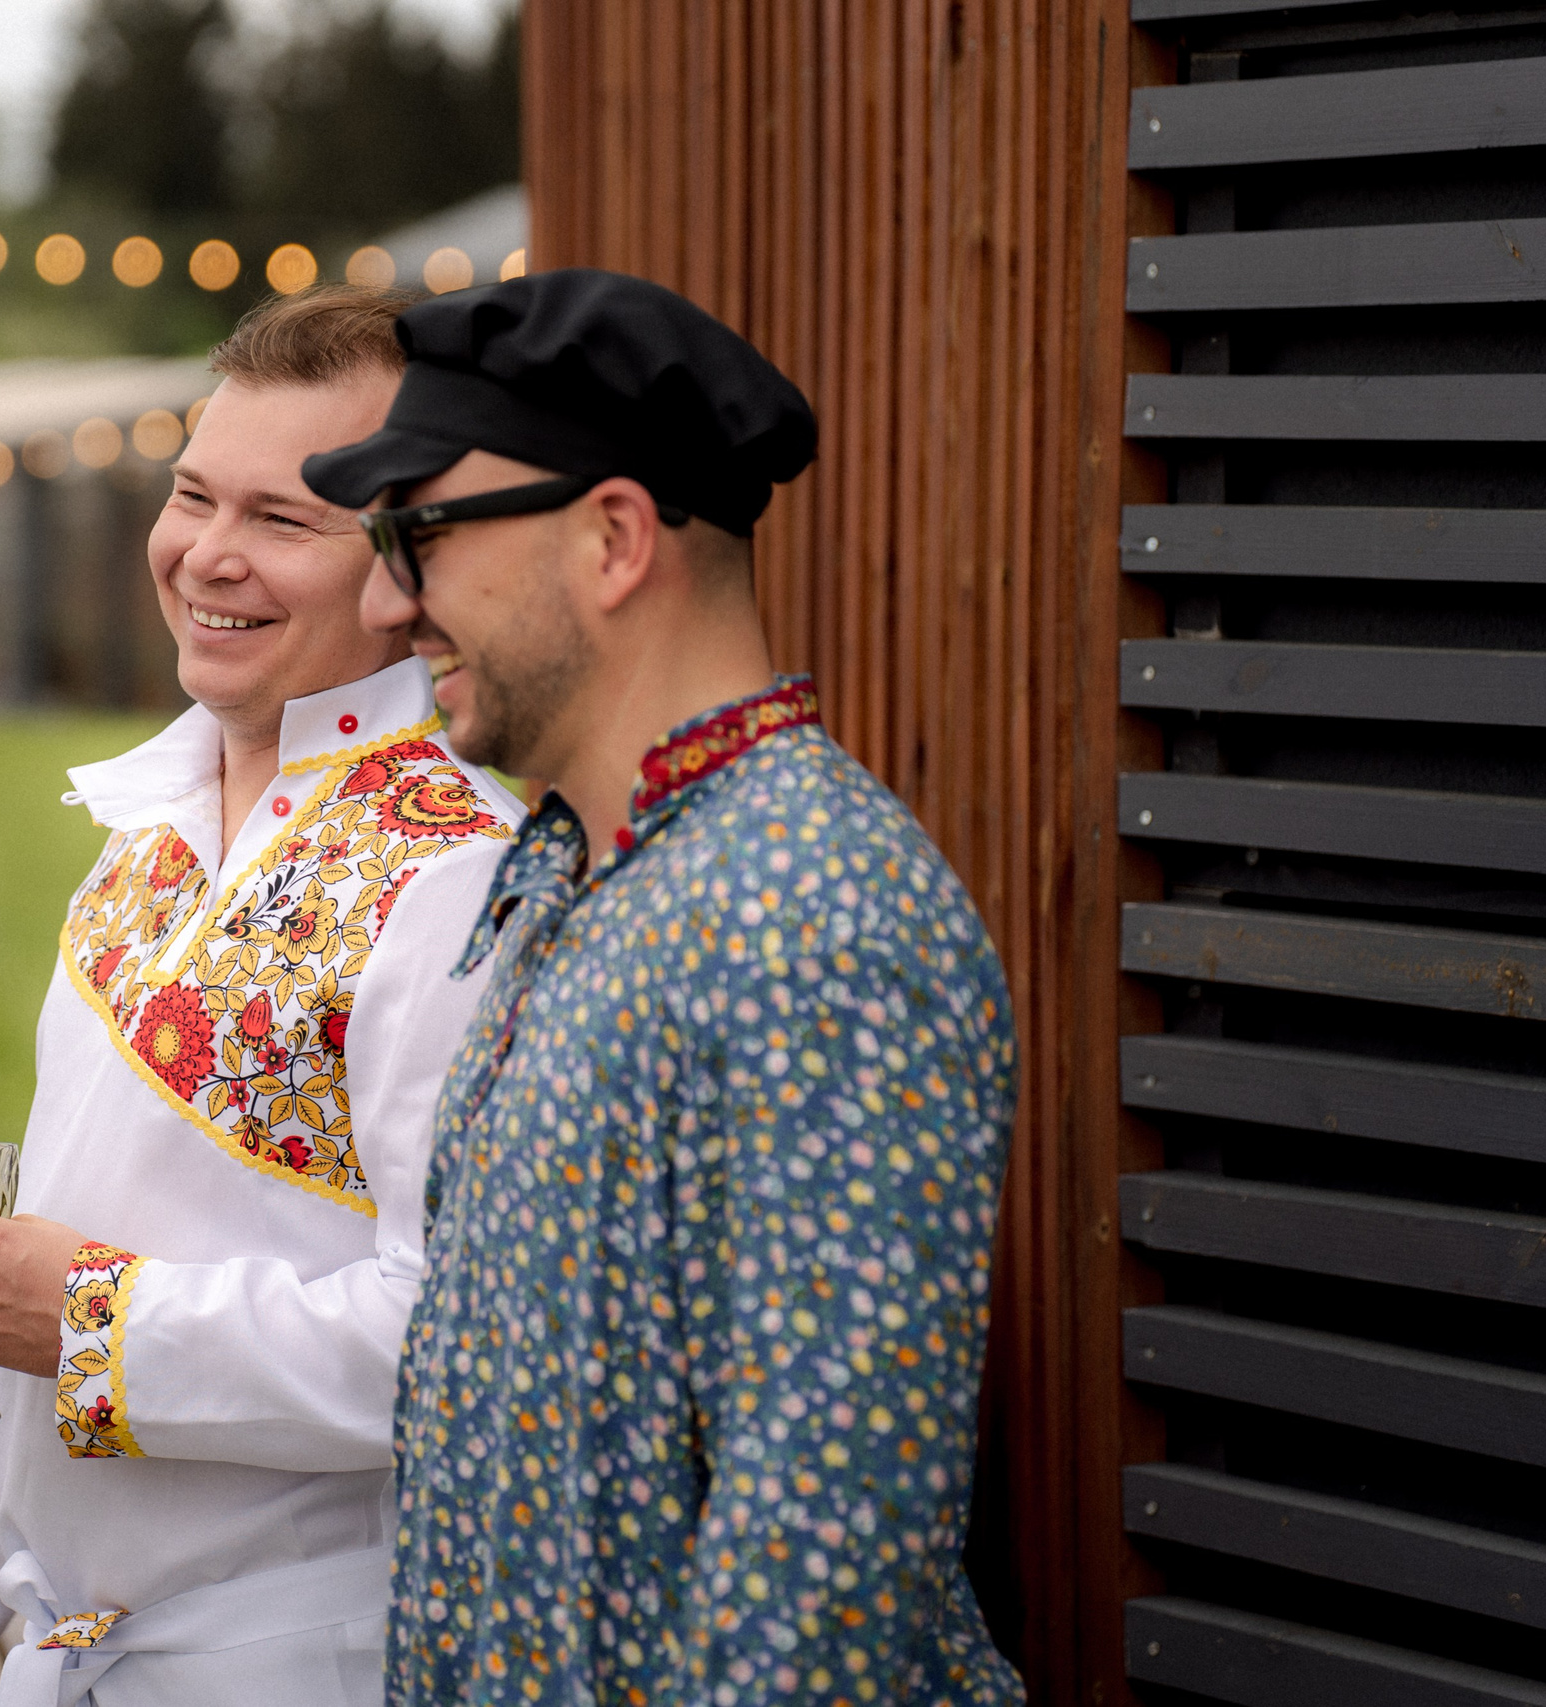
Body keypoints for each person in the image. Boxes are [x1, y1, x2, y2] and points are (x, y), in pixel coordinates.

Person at [0, 287, 526, 1707]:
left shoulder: (456, 876)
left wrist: (88, 1314)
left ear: (403, 566)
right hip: (71, 1645)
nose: (207, 554)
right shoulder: (144, 837)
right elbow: (34, 1310)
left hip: (306, 1658)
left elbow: (463, 1339)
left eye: (280, 519)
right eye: (193, 494)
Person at [301, 268, 1023, 1705]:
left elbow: (819, 1570)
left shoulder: (817, 917)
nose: (387, 602)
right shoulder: (578, 871)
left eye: (418, 533)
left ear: (616, 537)